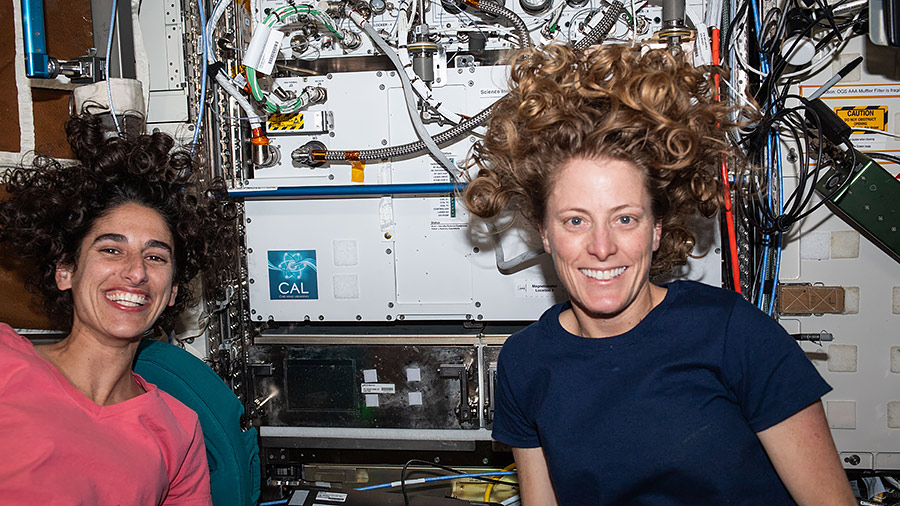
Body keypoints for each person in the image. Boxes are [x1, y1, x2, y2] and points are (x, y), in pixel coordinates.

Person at [463, 44, 856, 505]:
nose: (602, 246)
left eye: (625, 218)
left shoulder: (734, 334)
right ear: (545, 233)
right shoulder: (524, 363)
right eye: (575, 220)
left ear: (657, 229)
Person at [0, 113, 237, 505]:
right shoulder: (6, 362)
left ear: (173, 291)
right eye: (112, 250)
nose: (137, 272)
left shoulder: (179, 428)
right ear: (65, 271)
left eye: (156, 257)